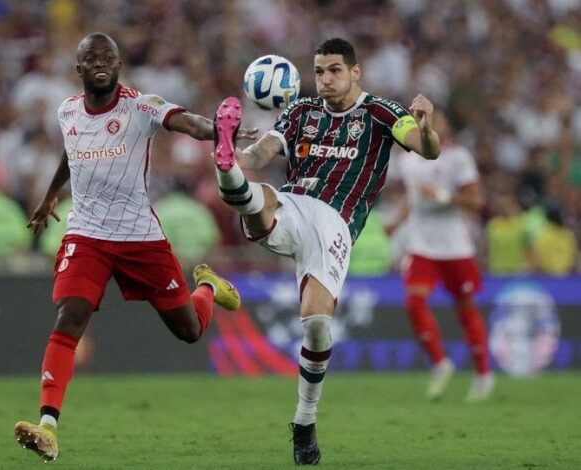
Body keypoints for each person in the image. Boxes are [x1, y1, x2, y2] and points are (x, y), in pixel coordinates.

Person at [13, 32, 257, 462]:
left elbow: (186, 122)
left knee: (189, 331)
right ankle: (47, 426)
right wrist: (51, 194)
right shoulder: (67, 110)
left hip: (139, 236)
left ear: (120, 65)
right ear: (79, 67)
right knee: (70, 315)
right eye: (92, 56)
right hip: (86, 233)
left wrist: (218, 132)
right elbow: (72, 153)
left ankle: (208, 288)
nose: (101, 61)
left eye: (109, 56)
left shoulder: (141, 106)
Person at [211, 38, 440, 465]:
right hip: (294, 204)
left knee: (316, 326)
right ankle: (226, 169)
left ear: (355, 72)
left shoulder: (381, 113)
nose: (325, 79)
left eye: (334, 70)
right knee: (262, 196)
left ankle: (304, 421)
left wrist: (425, 126)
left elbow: (426, 148)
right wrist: (238, 152)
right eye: (319, 71)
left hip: (336, 222)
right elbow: (263, 152)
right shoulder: (300, 111)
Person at [388, 111, 494, 403]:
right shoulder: (406, 161)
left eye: (436, 119)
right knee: (414, 301)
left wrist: (445, 197)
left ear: (445, 126)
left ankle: (483, 374)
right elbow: (412, 199)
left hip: (455, 246)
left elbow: (477, 200)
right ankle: (440, 362)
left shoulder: (457, 158)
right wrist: (396, 222)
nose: (428, 124)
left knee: (465, 309)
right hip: (421, 244)